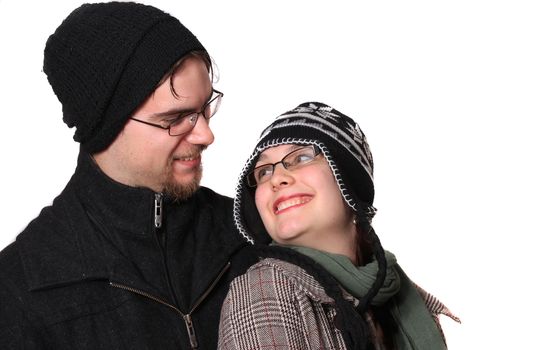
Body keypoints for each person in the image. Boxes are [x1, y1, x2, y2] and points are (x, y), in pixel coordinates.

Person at [0, 2, 253, 349]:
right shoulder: (19, 289)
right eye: (175, 119)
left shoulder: (251, 229)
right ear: (106, 125)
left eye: (205, 107)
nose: (206, 135)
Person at [218, 102, 460, 349]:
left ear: (349, 183)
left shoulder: (402, 296)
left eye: (301, 157)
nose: (277, 178)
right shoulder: (265, 288)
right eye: (263, 172)